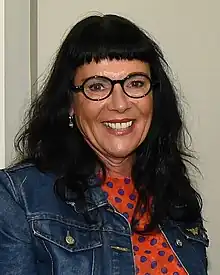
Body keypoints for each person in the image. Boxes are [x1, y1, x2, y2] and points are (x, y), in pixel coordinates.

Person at [0, 14, 209, 275]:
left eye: (135, 84)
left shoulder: (176, 198)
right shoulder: (18, 198)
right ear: (69, 105)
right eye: (97, 86)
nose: (120, 104)